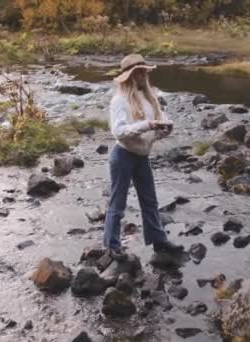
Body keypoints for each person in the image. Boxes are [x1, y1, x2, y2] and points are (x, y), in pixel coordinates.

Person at [103, 54, 184, 260]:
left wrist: (165, 129)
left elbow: (155, 128)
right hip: (123, 156)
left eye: (143, 71)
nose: (142, 75)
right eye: (137, 72)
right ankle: (112, 246)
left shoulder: (149, 97)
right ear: (129, 76)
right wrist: (147, 125)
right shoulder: (119, 100)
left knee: (150, 201)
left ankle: (159, 241)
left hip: (142, 156)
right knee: (117, 203)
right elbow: (118, 132)